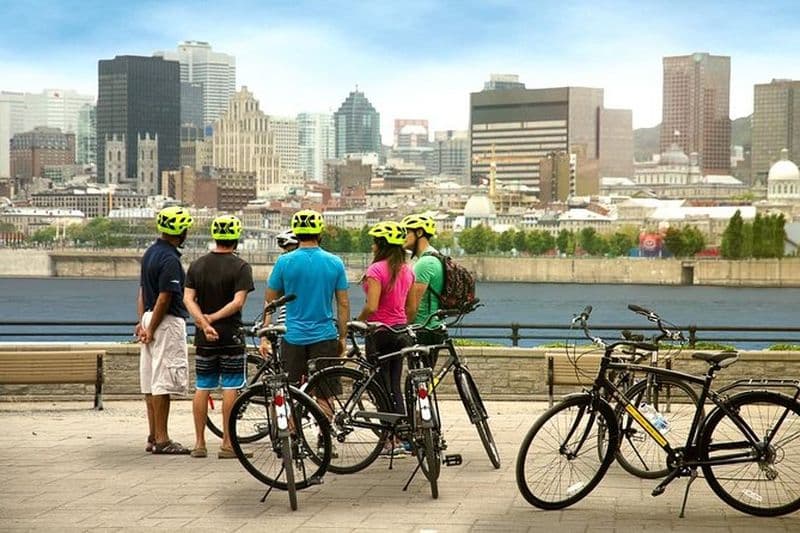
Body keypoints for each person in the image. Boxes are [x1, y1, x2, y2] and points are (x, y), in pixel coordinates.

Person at [184, 215, 255, 459]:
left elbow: (188, 299)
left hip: (204, 338)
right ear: (236, 239)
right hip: (230, 335)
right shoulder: (241, 267)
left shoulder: (197, 265)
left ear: (215, 237)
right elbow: (238, 302)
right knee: (231, 387)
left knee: (202, 386)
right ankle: (228, 443)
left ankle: (199, 443)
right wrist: (213, 319)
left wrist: (204, 323)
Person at [260, 209, 350, 387]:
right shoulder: (335, 262)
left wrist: (290, 286)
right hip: (325, 336)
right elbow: (343, 304)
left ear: (296, 233)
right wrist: (342, 337)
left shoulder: (284, 261)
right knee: (325, 394)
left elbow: (270, 299)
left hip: (293, 336)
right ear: (320, 233)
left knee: (292, 392)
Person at [136, 205, 193, 455]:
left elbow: (142, 292)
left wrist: (142, 323)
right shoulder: (170, 259)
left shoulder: (150, 253)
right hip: (165, 322)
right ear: (180, 231)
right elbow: (165, 297)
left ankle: (152, 435)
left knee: (150, 381)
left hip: (149, 318)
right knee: (162, 381)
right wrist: (152, 328)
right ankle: (162, 439)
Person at [356, 221, 415, 457]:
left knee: (381, 388)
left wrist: (358, 320)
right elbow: (410, 307)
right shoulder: (407, 270)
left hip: (379, 332)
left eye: (374, 242)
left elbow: (372, 306)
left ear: (381, 245)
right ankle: (402, 436)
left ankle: (389, 440)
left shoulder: (376, 270)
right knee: (394, 387)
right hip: (400, 331)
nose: (372, 246)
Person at [401, 214, 447, 360]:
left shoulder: (424, 263)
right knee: (426, 373)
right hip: (434, 326)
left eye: (407, 232)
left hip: (424, 329)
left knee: (420, 373)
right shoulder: (436, 256)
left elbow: (413, 305)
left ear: (419, 232)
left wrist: (400, 329)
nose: (403, 237)